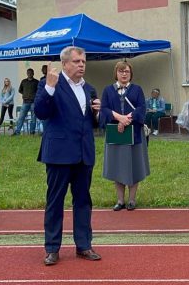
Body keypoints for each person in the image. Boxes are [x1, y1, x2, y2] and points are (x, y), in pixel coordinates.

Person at [34, 46, 102, 266]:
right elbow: (40, 112)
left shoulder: (89, 89)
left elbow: (92, 123)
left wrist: (97, 113)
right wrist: (49, 87)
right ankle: (52, 248)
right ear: (64, 64)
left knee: (83, 200)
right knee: (55, 201)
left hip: (83, 153)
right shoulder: (49, 84)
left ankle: (84, 245)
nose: (81, 65)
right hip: (59, 153)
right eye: (76, 61)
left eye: (83, 61)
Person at [100, 61, 150, 211]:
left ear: (130, 74)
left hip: (134, 133)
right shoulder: (108, 90)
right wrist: (118, 118)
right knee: (118, 166)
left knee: (134, 165)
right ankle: (120, 200)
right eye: (121, 71)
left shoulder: (137, 90)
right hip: (116, 134)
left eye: (127, 71)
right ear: (116, 73)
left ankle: (132, 200)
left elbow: (141, 108)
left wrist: (126, 119)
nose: (124, 74)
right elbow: (104, 109)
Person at [13, 68, 39, 135]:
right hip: (25, 102)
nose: (29, 74)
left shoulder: (36, 82)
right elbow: (20, 90)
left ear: (33, 73)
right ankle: (17, 132)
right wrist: (25, 94)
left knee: (33, 118)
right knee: (21, 117)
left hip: (33, 102)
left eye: (31, 72)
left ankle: (32, 132)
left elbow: (39, 91)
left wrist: (34, 96)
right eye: (28, 72)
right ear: (27, 73)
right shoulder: (23, 81)